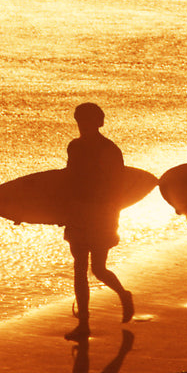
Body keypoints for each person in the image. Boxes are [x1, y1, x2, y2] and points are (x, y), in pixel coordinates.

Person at [62, 103, 134, 342]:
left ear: (99, 123)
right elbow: (68, 181)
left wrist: (113, 219)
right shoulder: (74, 147)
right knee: (79, 268)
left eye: (88, 121)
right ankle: (83, 323)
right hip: (78, 213)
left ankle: (123, 294)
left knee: (99, 269)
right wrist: (54, 213)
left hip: (102, 215)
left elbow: (119, 187)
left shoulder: (109, 150)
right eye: (80, 120)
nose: (83, 125)